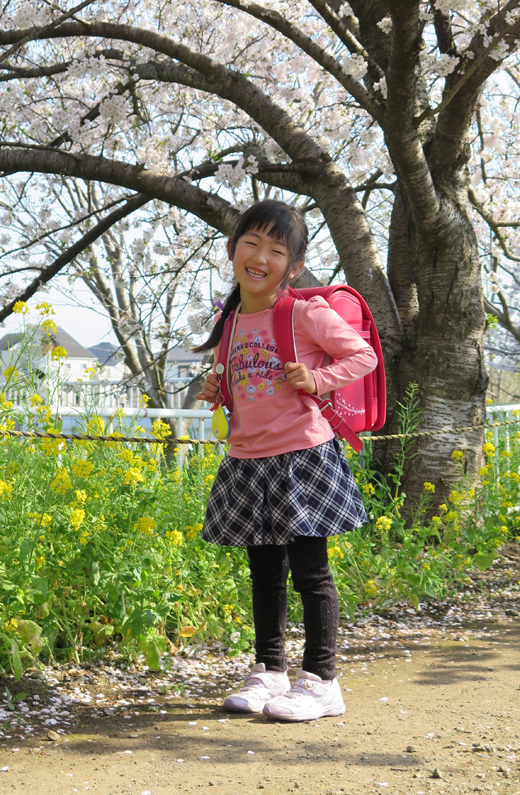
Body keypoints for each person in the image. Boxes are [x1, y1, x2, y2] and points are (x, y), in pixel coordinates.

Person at [194, 200, 377, 723]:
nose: (260, 257)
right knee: (264, 575)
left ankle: (322, 681)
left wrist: (318, 380)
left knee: (310, 574)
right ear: (232, 250)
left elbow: (361, 354)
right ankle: (270, 670)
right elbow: (245, 385)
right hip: (249, 460)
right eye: (251, 243)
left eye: (276, 250)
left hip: (302, 458)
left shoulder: (302, 312)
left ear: (293, 267)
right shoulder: (231, 320)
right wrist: (217, 386)